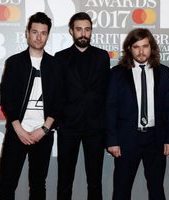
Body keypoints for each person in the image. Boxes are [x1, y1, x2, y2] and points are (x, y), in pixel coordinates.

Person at [0, 12, 58, 200]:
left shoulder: (55, 65)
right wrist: (18, 128)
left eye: (43, 33)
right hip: (17, 132)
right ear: (27, 33)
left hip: (43, 134)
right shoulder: (14, 62)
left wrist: (45, 129)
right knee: (7, 185)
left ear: (48, 35)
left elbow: (60, 100)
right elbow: (6, 96)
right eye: (35, 32)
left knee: (39, 186)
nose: (39, 37)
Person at [105, 28, 169, 200]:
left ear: (152, 47)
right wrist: (112, 141)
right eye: (136, 47)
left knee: (157, 190)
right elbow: (110, 107)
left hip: (155, 139)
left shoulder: (164, 73)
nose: (141, 51)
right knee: (121, 191)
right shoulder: (117, 74)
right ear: (129, 49)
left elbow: (168, 108)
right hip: (127, 139)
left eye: (145, 46)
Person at [55, 12, 111, 200]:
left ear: (91, 31)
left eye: (87, 29)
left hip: (95, 129)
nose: (83, 33)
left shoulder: (103, 57)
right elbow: (56, 93)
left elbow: (106, 93)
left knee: (95, 182)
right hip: (68, 128)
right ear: (71, 31)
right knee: (64, 181)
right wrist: (60, 121)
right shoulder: (60, 58)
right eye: (79, 29)